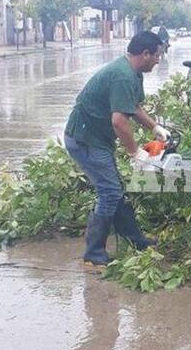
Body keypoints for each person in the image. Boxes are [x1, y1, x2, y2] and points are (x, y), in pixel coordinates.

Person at [64, 31, 170, 267]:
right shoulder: (123, 76)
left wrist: (155, 128)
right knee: (110, 192)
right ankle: (94, 254)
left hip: (96, 139)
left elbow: (133, 107)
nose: (158, 60)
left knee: (114, 189)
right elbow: (119, 121)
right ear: (145, 54)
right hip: (84, 140)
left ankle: (136, 241)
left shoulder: (133, 73)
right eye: (157, 56)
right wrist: (135, 153)